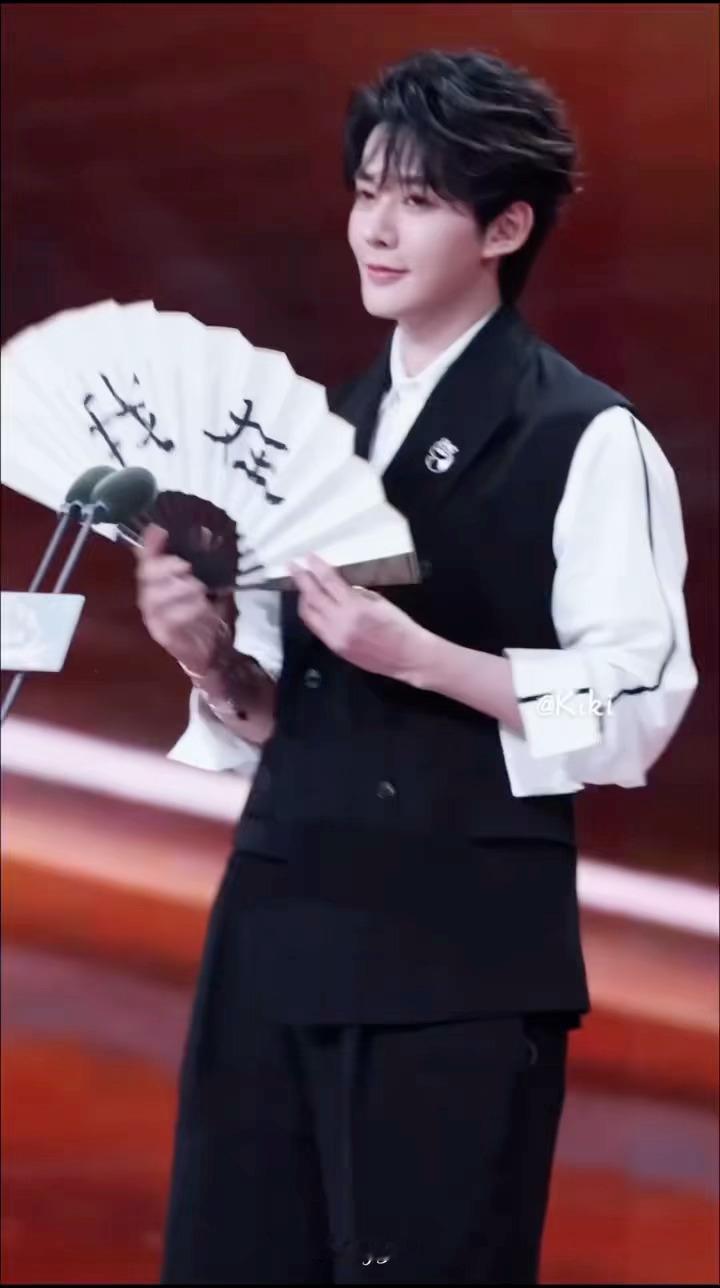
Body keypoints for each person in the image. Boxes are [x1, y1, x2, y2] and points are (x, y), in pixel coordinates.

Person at [136, 49, 698, 1285]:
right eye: (365, 193)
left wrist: (429, 658)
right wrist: (212, 662)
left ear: (505, 227)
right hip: (279, 928)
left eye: (420, 200)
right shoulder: (316, 432)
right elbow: (282, 714)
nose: (376, 229)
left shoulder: (588, 437)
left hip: (456, 962)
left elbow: (638, 705)